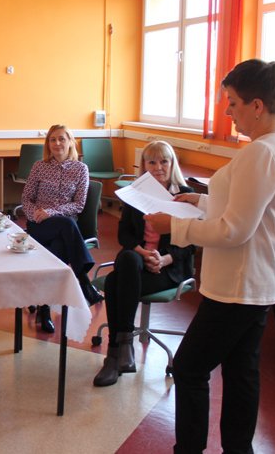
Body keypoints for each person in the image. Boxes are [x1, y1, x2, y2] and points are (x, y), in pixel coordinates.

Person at [145, 60, 275, 453]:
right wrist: (199, 201)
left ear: (257, 106)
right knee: (241, 370)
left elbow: (235, 229)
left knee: (188, 368)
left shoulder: (261, 153)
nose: (228, 111)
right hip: (256, 282)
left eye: (232, 102)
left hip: (239, 285)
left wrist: (174, 226)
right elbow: (250, 207)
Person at [93, 140, 194, 387]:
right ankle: (124, 348)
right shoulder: (135, 193)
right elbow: (124, 235)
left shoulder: (185, 195)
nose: (158, 167)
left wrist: (164, 258)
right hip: (138, 261)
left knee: (115, 283)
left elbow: (191, 242)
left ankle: (115, 354)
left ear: (172, 164)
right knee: (128, 257)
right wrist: (143, 253)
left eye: (164, 161)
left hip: (169, 268)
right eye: (152, 162)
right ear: (144, 166)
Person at [20, 124, 101, 334]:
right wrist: (36, 214)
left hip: (64, 226)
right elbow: (26, 199)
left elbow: (79, 205)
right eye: (52, 139)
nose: (57, 143)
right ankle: (84, 280)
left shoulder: (81, 169)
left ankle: (44, 308)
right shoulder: (39, 166)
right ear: (48, 144)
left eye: (62, 139)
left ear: (70, 142)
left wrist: (52, 212)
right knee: (67, 225)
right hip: (39, 225)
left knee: (58, 245)